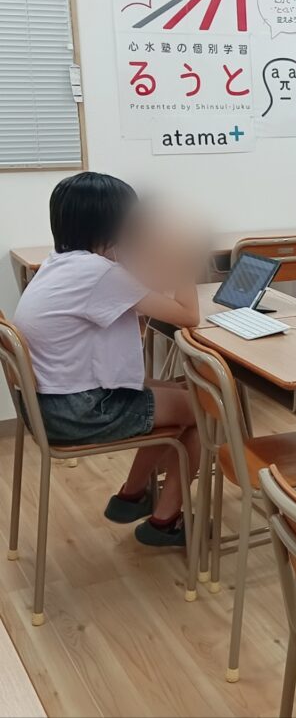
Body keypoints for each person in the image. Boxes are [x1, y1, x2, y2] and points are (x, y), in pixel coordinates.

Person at [13, 172, 202, 547]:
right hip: (79, 411)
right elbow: (188, 315)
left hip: (50, 405)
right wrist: (184, 259)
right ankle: (165, 521)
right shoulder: (98, 273)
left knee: (181, 390)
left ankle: (132, 496)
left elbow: (142, 294)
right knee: (206, 407)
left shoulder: (61, 263)